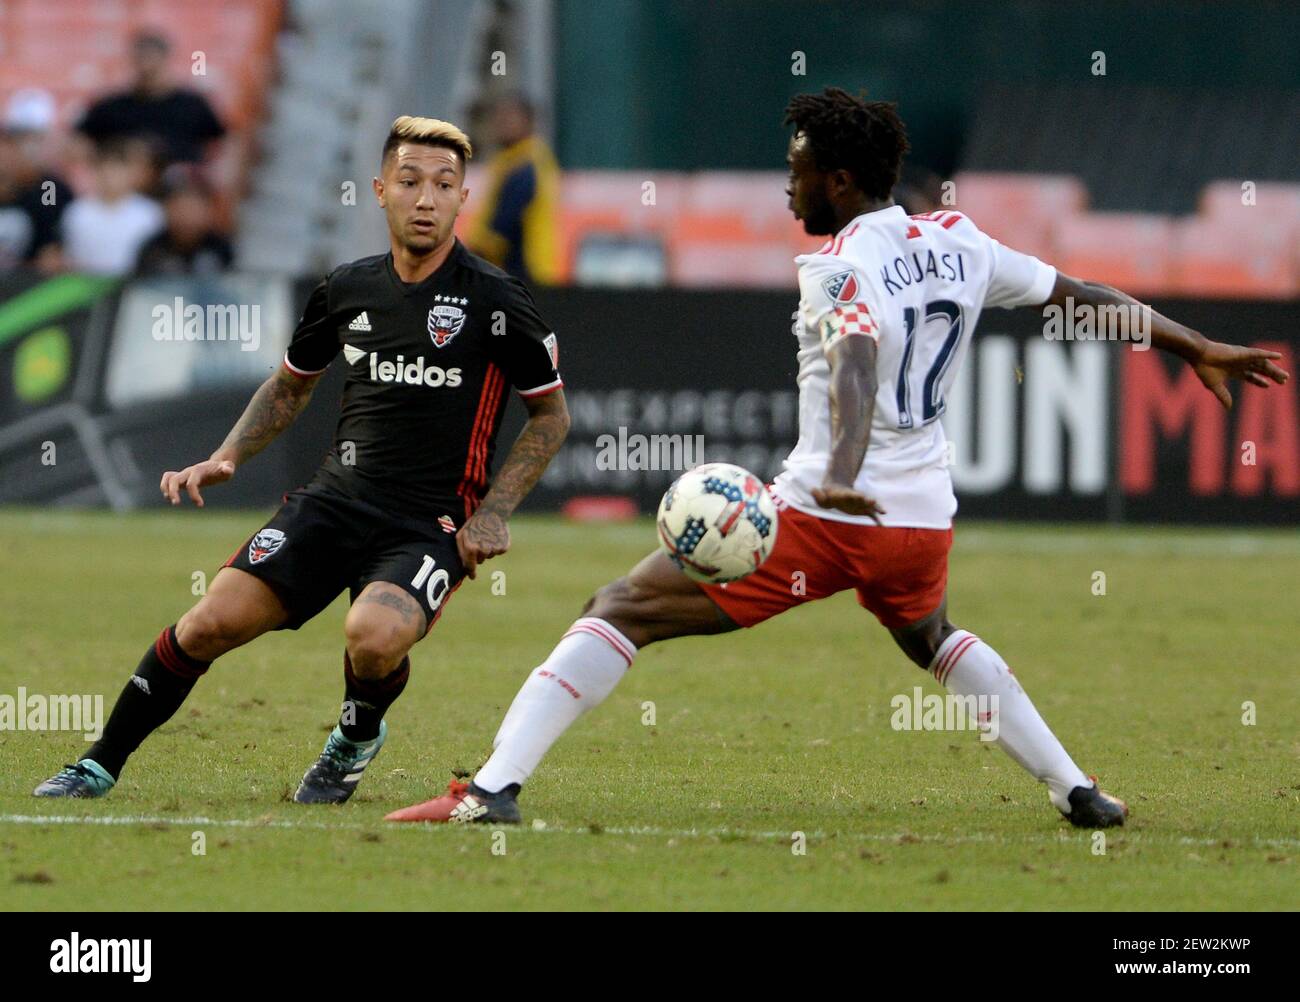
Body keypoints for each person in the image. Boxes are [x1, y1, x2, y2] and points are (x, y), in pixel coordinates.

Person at [389, 88, 1289, 828]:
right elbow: (1077, 296)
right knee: (928, 634)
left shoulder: (836, 268)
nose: (787, 189)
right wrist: (1192, 345)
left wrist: (846, 471)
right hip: (924, 519)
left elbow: (856, 363)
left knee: (619, 605)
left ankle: (492, 791)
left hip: (829, 513)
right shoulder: (958, 240)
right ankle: (1077, 790)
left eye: (798, 172)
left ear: (841, 180)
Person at [34, 116, 570, 803]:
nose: (426, 199)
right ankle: (98, 764)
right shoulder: (348, 287)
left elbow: (551, 415)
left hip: (429, 523)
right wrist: (226, 455)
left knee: (372, 638)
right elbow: (291, 385)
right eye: (410, 182)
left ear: (464, 198)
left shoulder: (496, 299)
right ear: (381, 191)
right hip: (333, 501)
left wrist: (493, 512)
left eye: (444, 184)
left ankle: (353, 737)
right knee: (208, 624)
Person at [76, 30, 225, 166]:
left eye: (152, 60)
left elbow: (222, 139)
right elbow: (80, 140)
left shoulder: (193, 104)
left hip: (178, 188)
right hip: (126, 188)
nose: (146, 67)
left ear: (165, 59)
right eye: (141, 60)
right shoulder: (112, 106)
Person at [464, 93, 560, 284]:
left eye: (509, 118)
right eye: (497, 117)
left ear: (529, 122)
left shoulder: (526, 166)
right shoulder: (512, 162)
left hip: (526, 273)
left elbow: (501, 228)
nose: (501, 124)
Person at [60, 139, 164, 276]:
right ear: (96, 173)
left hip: (133, 285)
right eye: (105, 170)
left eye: (117, 170)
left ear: (130, 173)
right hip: (84, 283)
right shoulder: (76, 211)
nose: (110, 177)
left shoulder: (151, 213)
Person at [0, 88, 72, 274]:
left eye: (35, 137)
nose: (27, 145)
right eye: (20, 137)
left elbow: (52, 246)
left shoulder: (50, 188)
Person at [133, 166, 233, 275]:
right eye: (181, 208)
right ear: (167, 210)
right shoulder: (152, 248)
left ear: (208, 211)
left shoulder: (221, 248)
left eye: (194, 209)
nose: (187, 216)